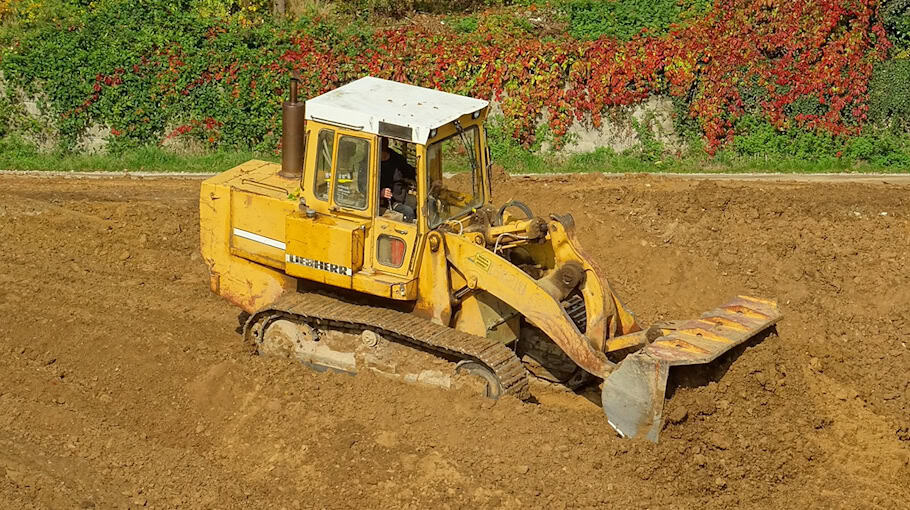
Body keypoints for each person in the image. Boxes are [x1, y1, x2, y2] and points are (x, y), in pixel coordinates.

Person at [379, 137, 417, 222]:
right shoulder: (369, 161)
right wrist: (380, 192)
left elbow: (411, 173)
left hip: (402, 196)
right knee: (408, 212)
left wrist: (429, 179)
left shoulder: (397, 159)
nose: (384, 141)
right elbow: (362, 186)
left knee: (425, 204)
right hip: (383, 203)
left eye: (385, 139)